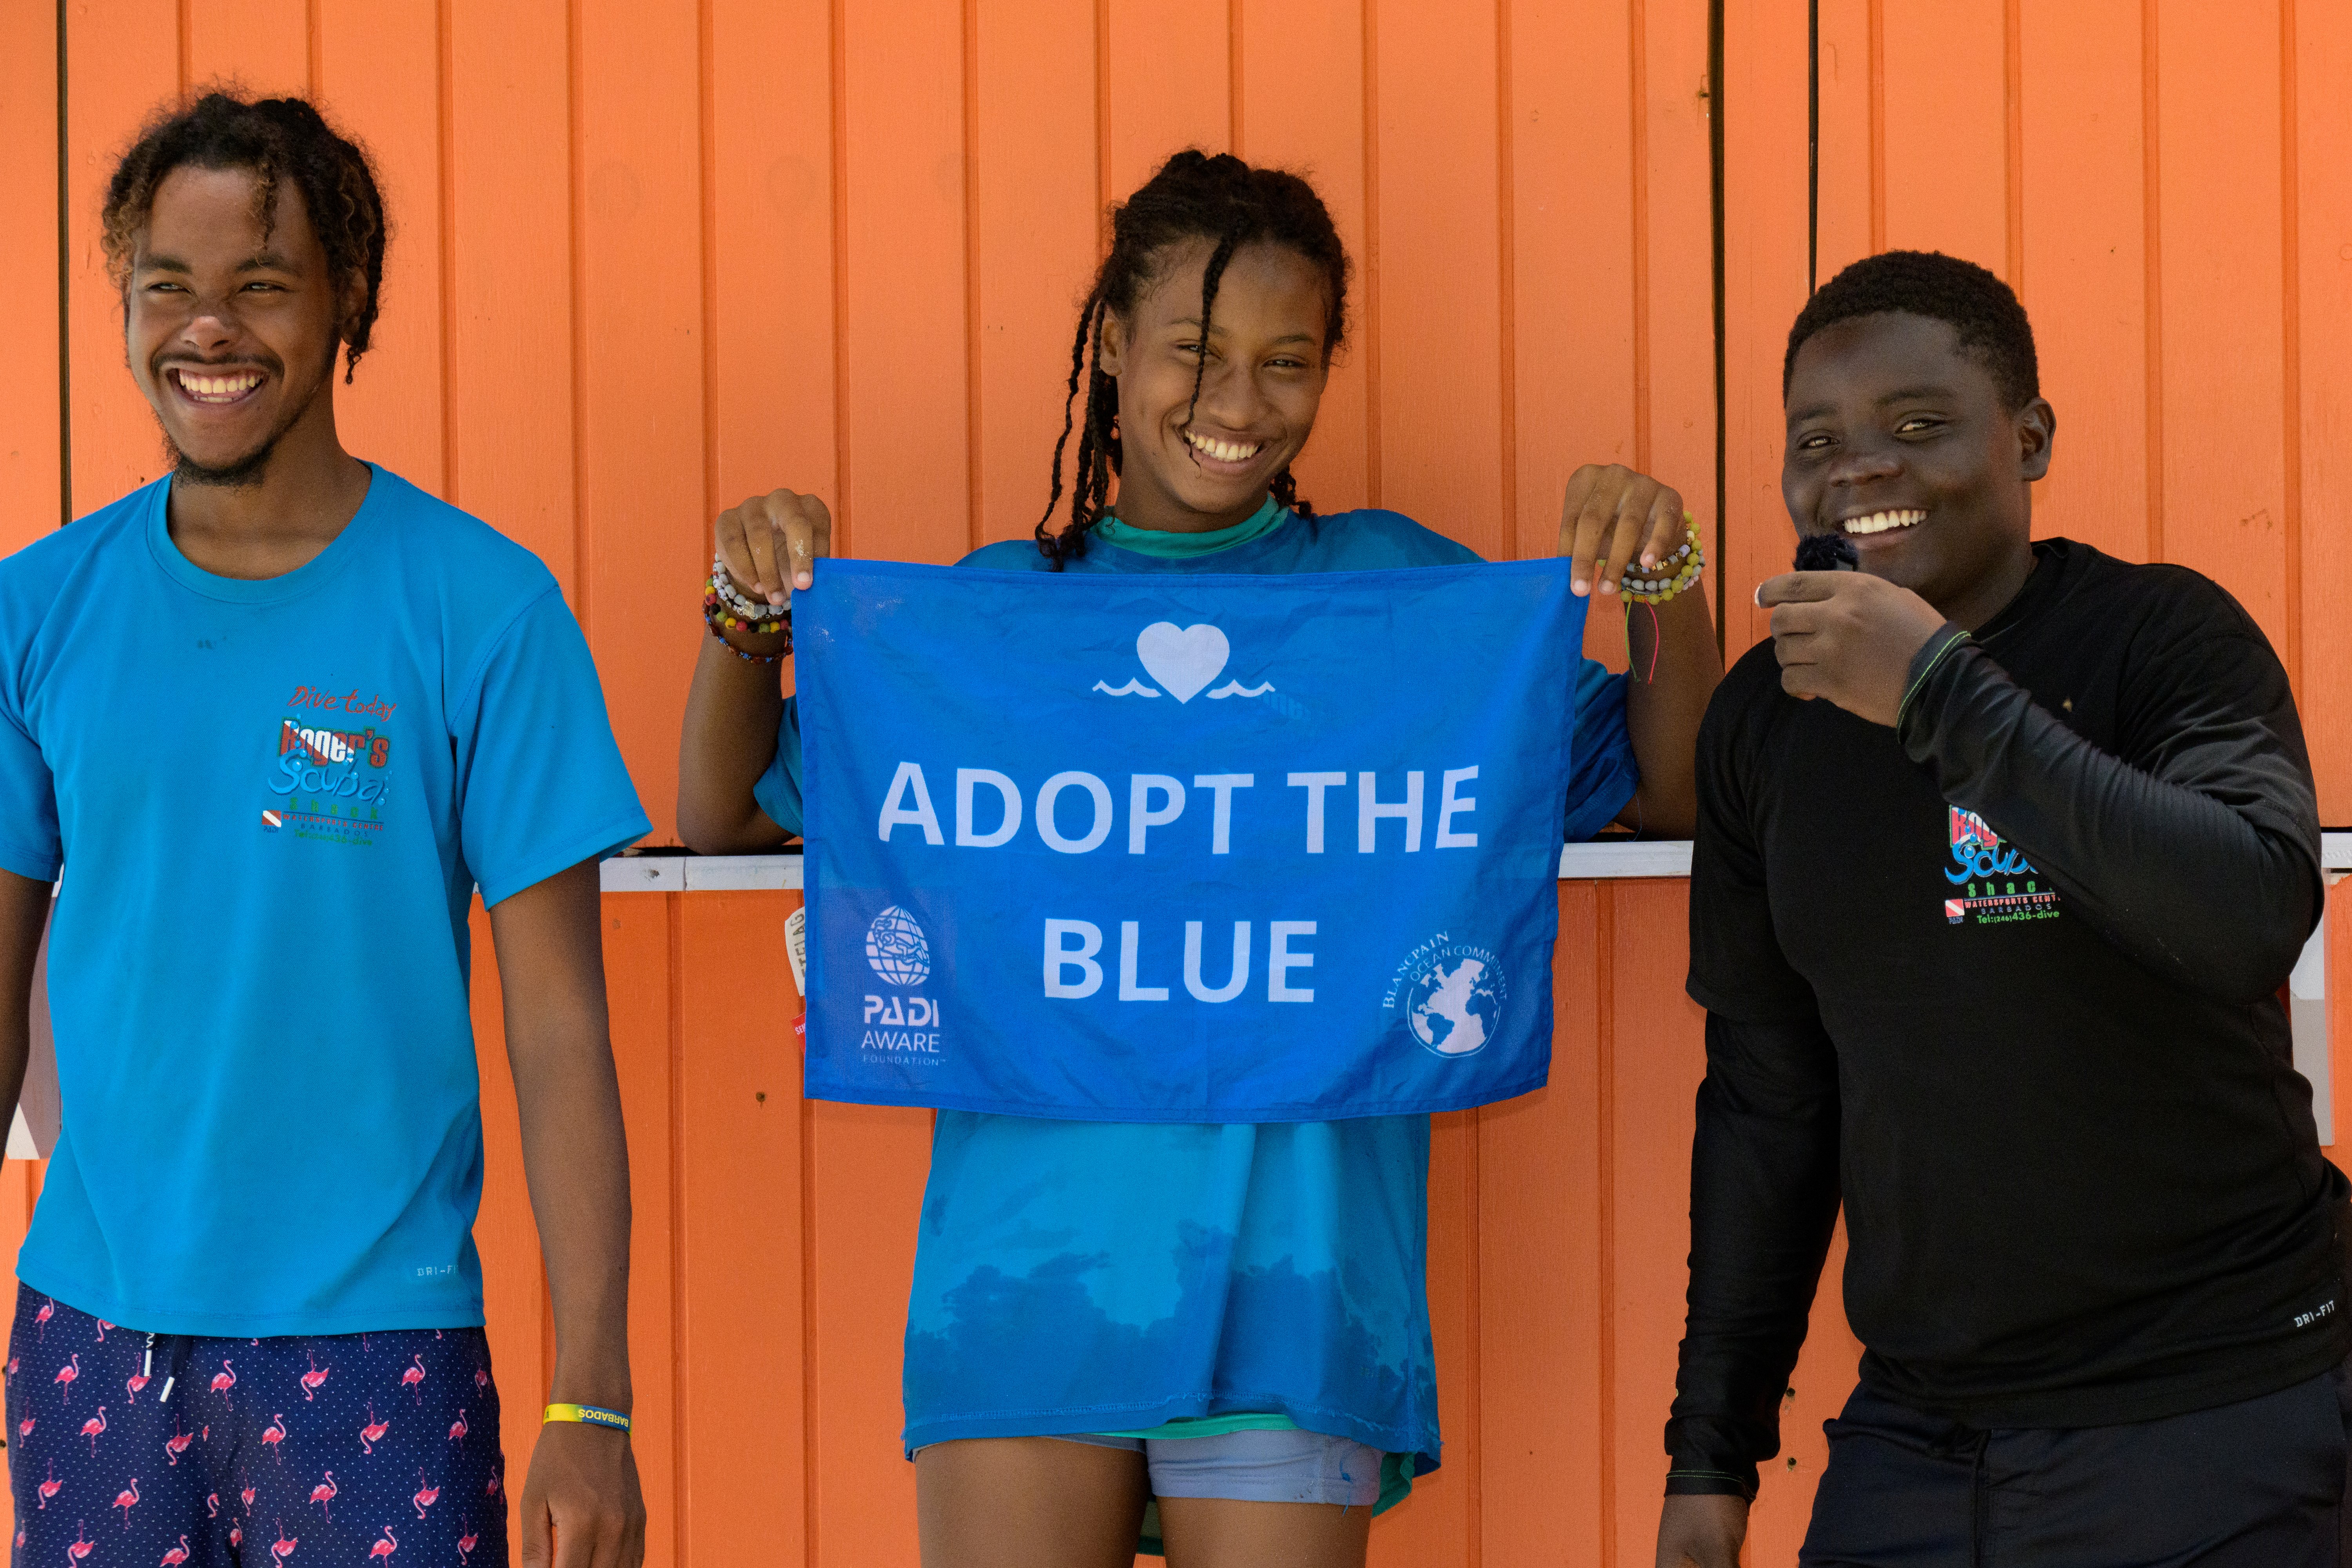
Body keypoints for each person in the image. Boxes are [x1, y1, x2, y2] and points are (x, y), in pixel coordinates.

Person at [680, 149, 1721, 1568]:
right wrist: (745, 614)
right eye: (1194, 351)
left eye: (1286, 363)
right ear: (1110, 346)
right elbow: (727, 813)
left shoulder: (1397, 601)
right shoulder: (990, 623)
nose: (1238, 406)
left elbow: (1671, 796)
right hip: (1023, 1292)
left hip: (1298, 1294)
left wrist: (1666, 580)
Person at [0, 93, 652, 1568]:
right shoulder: (37, 613)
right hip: (93, 1337)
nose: (206, 329)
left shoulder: (485, 612)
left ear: (348, 301)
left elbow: (560, 1035)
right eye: (166, 285)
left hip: (376, 1347)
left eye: (261, 286)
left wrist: (592, 1403)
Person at [1654, 250, 2347, 1568]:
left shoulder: (2161, 637)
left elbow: (2251, 907)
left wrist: (1937, 692)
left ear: (2027, 440)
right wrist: (1711, 1451)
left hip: (2219, 1408)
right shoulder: (1765, 721)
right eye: (1819, 439)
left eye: (1919, 426)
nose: (1860, 467)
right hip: (1923, 1432)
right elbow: (1768, 1104)